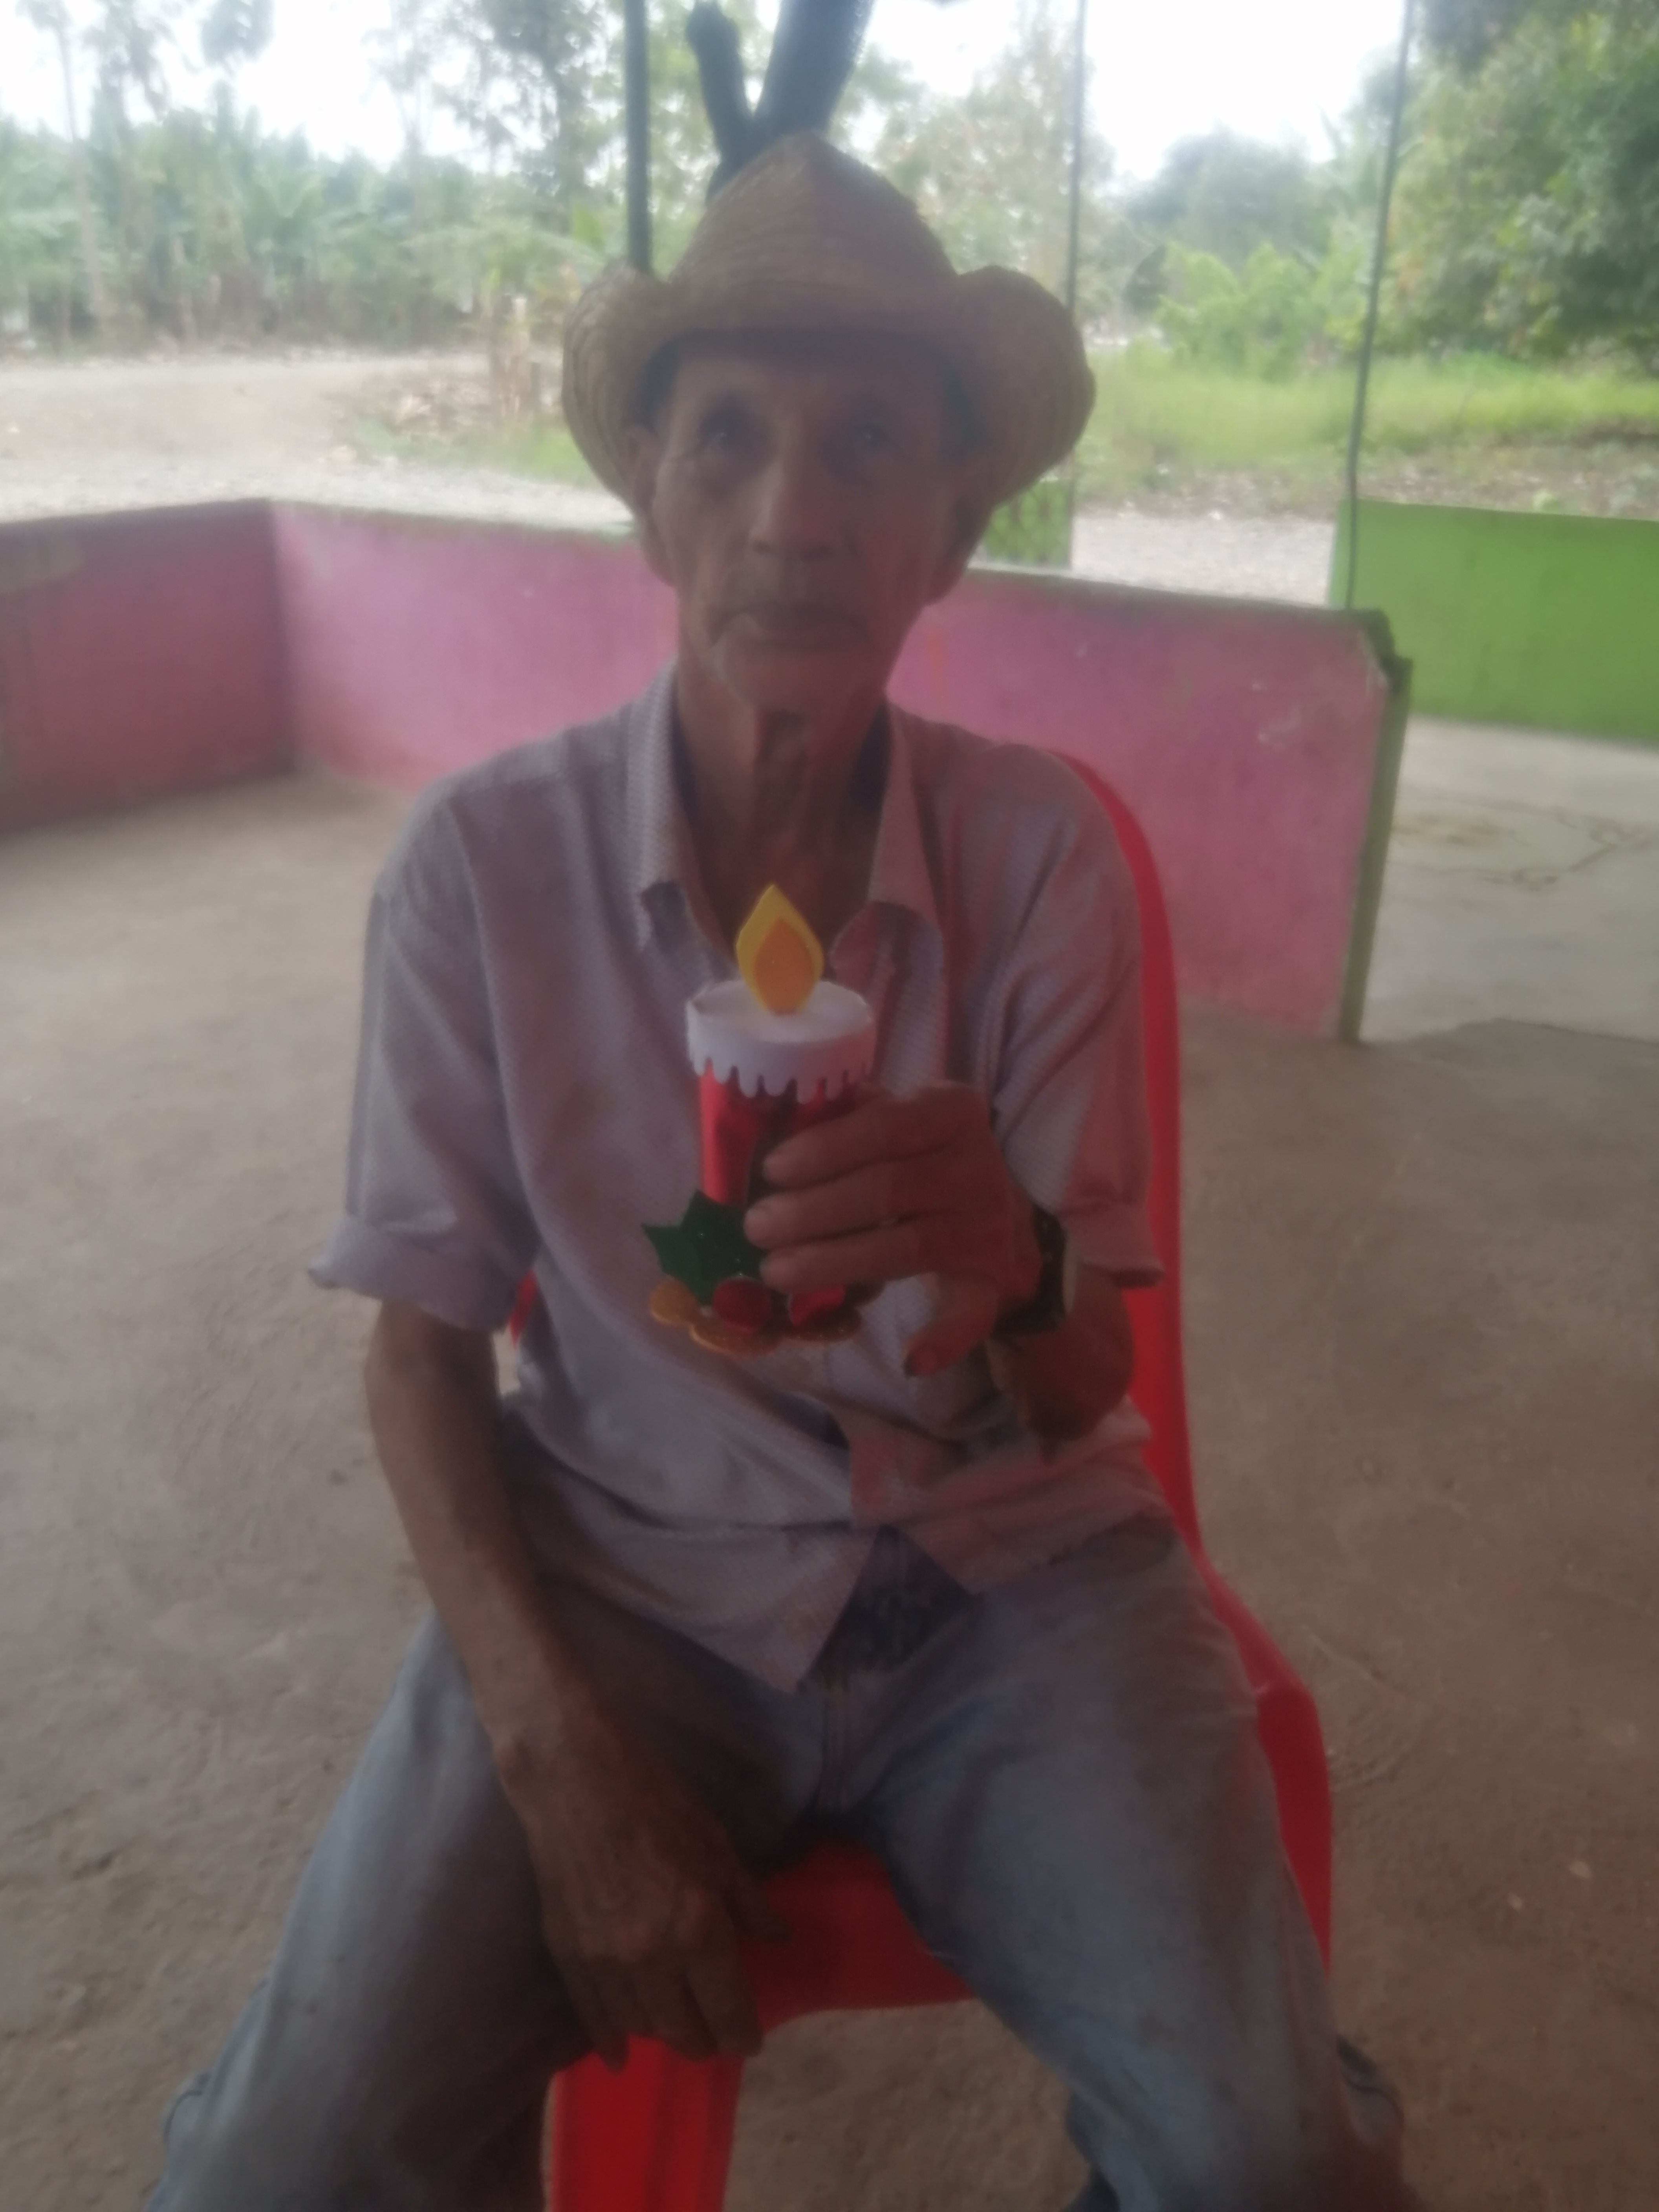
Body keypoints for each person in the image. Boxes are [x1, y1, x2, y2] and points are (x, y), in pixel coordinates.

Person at [145, 134, 1410, 2212]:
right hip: (628, 1571)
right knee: (284, 2170)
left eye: (869, 447)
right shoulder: (483, 871)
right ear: (651, 493)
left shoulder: (1040, 858)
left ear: (952, 534)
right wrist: (553, 1758)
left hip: (1017, 1583)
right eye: (728, 435)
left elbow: (1088, 1384)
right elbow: (418, 1354)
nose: (793, 516)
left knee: (1270, 2166)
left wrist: (1017, 1263)